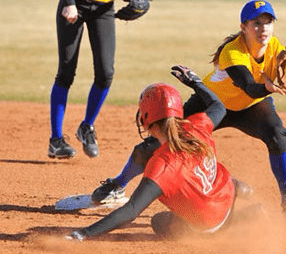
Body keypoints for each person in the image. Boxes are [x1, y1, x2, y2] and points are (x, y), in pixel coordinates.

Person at [90, 0, 286, 222]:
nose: (263, 28)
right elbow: (248, 86)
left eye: (268, 22)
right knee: (163, 140)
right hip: (211, 104)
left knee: (278, 136)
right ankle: (118, 183)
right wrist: (269, 87)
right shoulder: (232, 52)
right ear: (243, 27)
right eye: (256, 23)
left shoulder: (277, 50)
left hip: (251, 107)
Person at [66, 65, 243, 242]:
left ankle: (242, 218)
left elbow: (131, 210)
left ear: (146, 120)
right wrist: (195, 82)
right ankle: (238, 190)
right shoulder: (196, 126)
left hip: (209, 225)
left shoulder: (162, 164)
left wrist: (84, 233)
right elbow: (219, 106)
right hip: (225, 194)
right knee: (209, 177)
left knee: (160, 222)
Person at [48, 0, 117, 159]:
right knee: (66, 73)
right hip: (75, 2)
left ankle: (86, 127)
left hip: (104, 7)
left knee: (106, 73)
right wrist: (69, 2)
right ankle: (56, 141)